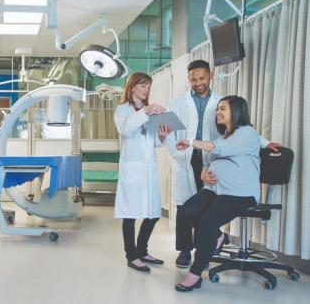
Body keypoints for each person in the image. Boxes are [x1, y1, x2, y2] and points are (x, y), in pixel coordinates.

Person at [163, 60, 281, 268]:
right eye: (193, 79)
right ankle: (184, 251)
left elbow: (240, 129)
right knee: (184, 204)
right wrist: (176, 154)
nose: (198, 83)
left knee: (206, 203)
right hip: (187, 156)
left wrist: (266, 142)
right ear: (188, 79)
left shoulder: (221, 102)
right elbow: (169, 133)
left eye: (201, 78)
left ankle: (204, 247)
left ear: (210, 75)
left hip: (212, 156)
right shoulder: (177, 103)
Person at [174, 95, 261, 291]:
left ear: (237, 111)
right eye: (218, 109)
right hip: (215, 189)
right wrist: (205, 172)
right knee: (186, 211)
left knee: (207, 222)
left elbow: (217, 149)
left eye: (223, 108)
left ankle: (194, 275)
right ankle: (218, 237)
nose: (218, 112)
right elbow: (210, 159)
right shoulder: (223, 136)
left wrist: (190, 142)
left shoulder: (247, 133)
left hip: (239, 193)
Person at [114, 72, 171, 273]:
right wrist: (145, 111)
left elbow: (153, 142)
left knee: (153, 213)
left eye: (148, 86)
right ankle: (132, 256)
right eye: (143, 85)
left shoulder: (152, 113)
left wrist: (162, 137)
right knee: (129, 214)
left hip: (148, 170)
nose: (146, 90)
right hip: (132, 169)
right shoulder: (123, 110)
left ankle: (142, 251)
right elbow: (126, 129)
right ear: (132, 88)